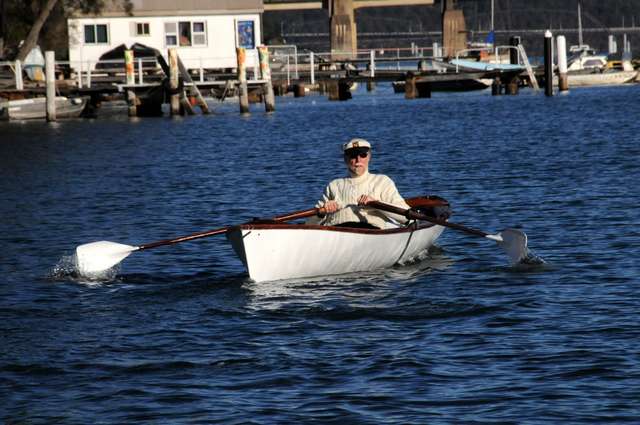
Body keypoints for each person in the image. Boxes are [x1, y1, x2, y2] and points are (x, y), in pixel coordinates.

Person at [307, 138, 411, 229]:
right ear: (345, 159)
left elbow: (406, 217)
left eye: (363, 155)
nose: (358, 160)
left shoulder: (382, 181)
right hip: (336, 231)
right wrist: (321, 213)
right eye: (353, 156)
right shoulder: (333, 185)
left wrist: (377, 204)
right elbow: (308, 225)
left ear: (369, 157)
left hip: (370, 230)